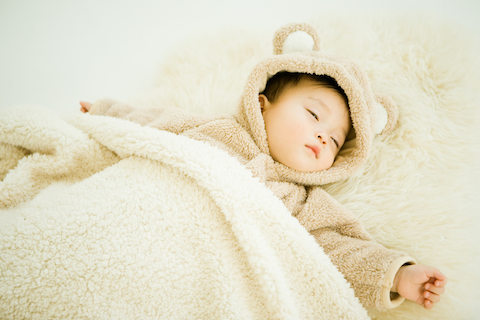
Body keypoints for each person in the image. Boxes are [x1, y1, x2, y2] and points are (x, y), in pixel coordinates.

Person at [79, 24, 447, 312]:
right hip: (140, 213)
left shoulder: (302, 202)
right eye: (314, 114)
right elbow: (154, 122)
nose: (323, 137)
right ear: (262, 104)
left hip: (194, 270)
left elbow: (335, 250)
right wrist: (104, 111)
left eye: (335, 141)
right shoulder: (217, 131)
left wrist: (397, 274)